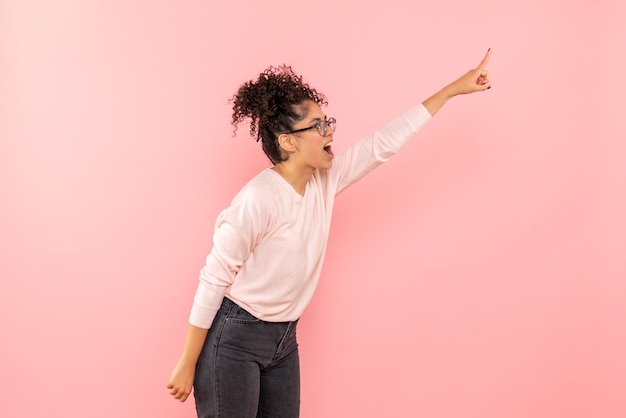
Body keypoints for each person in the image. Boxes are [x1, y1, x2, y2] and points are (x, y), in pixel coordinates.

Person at [167, 50, 492, 418]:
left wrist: (452, 90)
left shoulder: (324, 179)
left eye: (328, 121)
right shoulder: (257, 199)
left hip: (284, 341)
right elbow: (214, 278)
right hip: (235, 340)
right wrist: (187, 362)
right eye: (318, 125)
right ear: (288, 141)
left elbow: (381, 145)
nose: (330, 130)